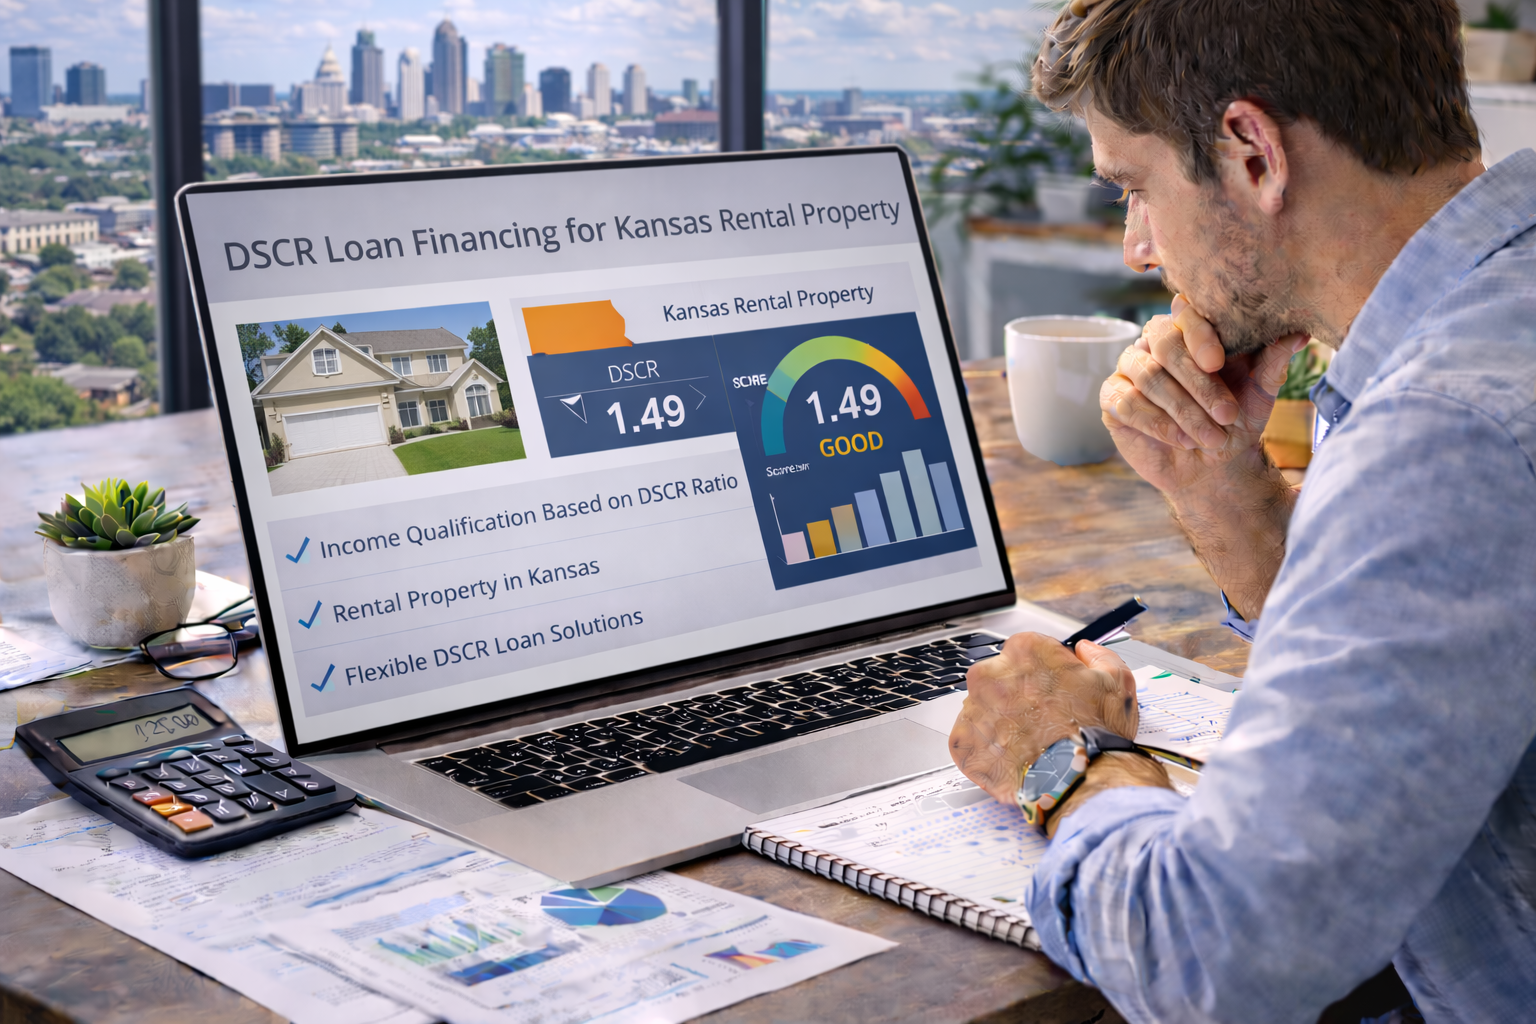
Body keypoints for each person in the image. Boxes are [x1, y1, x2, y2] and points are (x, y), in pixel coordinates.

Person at [946, 0, 1536, 1021]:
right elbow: (1441, 655)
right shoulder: (1492, 323)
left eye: (1137, 188)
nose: (1138, 247)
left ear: (1252, 152)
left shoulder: (1445, 432)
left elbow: (1221, 960)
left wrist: (1065, 758)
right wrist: (1226, 494)